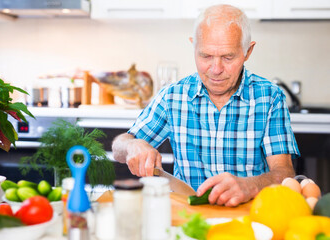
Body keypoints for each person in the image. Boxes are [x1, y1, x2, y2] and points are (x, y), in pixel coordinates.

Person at [112, 4, 300, 207]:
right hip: (189, 217)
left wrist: (250, 186)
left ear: (247, 51)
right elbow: (119, 148)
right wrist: (132, 145)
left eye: (228, 57)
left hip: (249, 217)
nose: (216, 69)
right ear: (194, 46)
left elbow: (285, 174)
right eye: (205, 56)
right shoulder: (173, 96)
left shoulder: (270, 97)